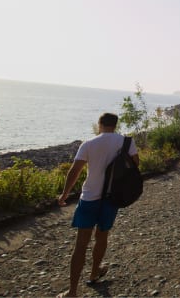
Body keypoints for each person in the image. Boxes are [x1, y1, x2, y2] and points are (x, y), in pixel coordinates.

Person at [57, 113, 138, 298]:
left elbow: (74, 171)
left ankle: (72, 291)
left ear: (99, 124)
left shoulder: (89, 144)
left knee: (81, 244)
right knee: (102, 236)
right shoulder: (127, 142)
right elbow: (135, 166)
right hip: (111, 199)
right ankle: (94, 272)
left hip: (89, 198)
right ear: (116, 125)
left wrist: (64, 194)